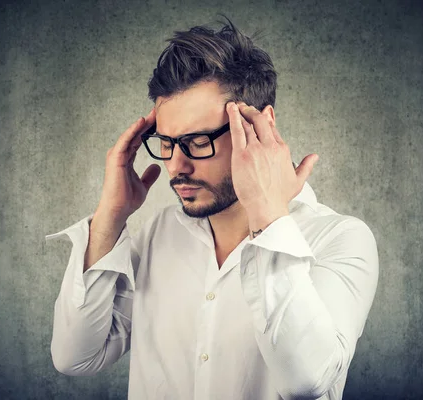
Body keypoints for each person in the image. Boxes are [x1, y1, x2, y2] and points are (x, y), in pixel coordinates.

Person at [46, 17, 379, 400]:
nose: (176, 166)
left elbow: (307, 381)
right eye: (167, 143)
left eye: (198, 141)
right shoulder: (159, 234)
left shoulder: (340, 239)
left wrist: (268, 214)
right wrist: (110, 215)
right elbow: (75, 356)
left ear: (261, 125)